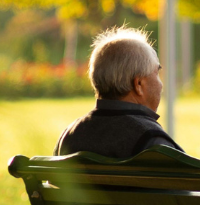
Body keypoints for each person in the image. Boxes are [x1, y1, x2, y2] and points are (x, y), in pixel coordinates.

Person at [55, 26, 180, 158]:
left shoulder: (69, 137)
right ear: (138, 84)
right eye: (157, 73)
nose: (161, 84)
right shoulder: (152, 142)